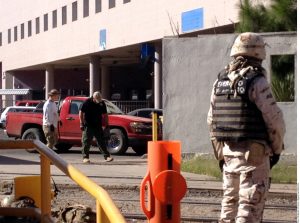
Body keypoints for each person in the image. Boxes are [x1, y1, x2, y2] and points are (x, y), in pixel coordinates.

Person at [207, 32, 285, 223]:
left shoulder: (220, 81)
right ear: (259, 53)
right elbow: (275, 121)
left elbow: (211, 120)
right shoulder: (257, 82)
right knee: (248, 209)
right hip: (254, 156)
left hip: (228, 155)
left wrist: (221, 154)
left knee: (229, 207)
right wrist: (276, 149)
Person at [79, 91, 113, 163]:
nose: (98, 102)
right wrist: (81, 123)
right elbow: (81, 112)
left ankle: (107, 156)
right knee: (86, 141)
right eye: (97, 100)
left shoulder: (101, 103)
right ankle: (85, 157)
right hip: (88, 125)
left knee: (101, 141)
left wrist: (107, 124)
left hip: (98, 125)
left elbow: (105, 114)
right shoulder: (87, 102)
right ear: (93, 98)